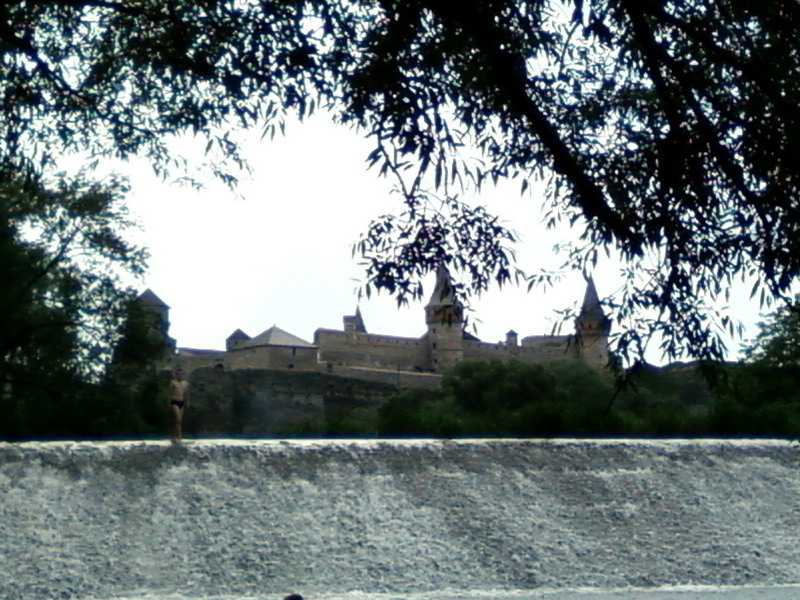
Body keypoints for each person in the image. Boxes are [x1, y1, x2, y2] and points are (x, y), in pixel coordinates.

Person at [167, 368, 190, 443]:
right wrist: (169, 403)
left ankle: (178, 436)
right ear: (176, 375)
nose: (179, 375)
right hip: (175, 401)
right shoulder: (173, 383)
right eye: (178, 374)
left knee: (179, 421)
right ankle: (176, 436)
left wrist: (187, 403)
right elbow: (170, 394)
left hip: (182, 402)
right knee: (178, 418)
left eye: (181, 374)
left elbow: (186, 394)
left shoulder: (185, 383)